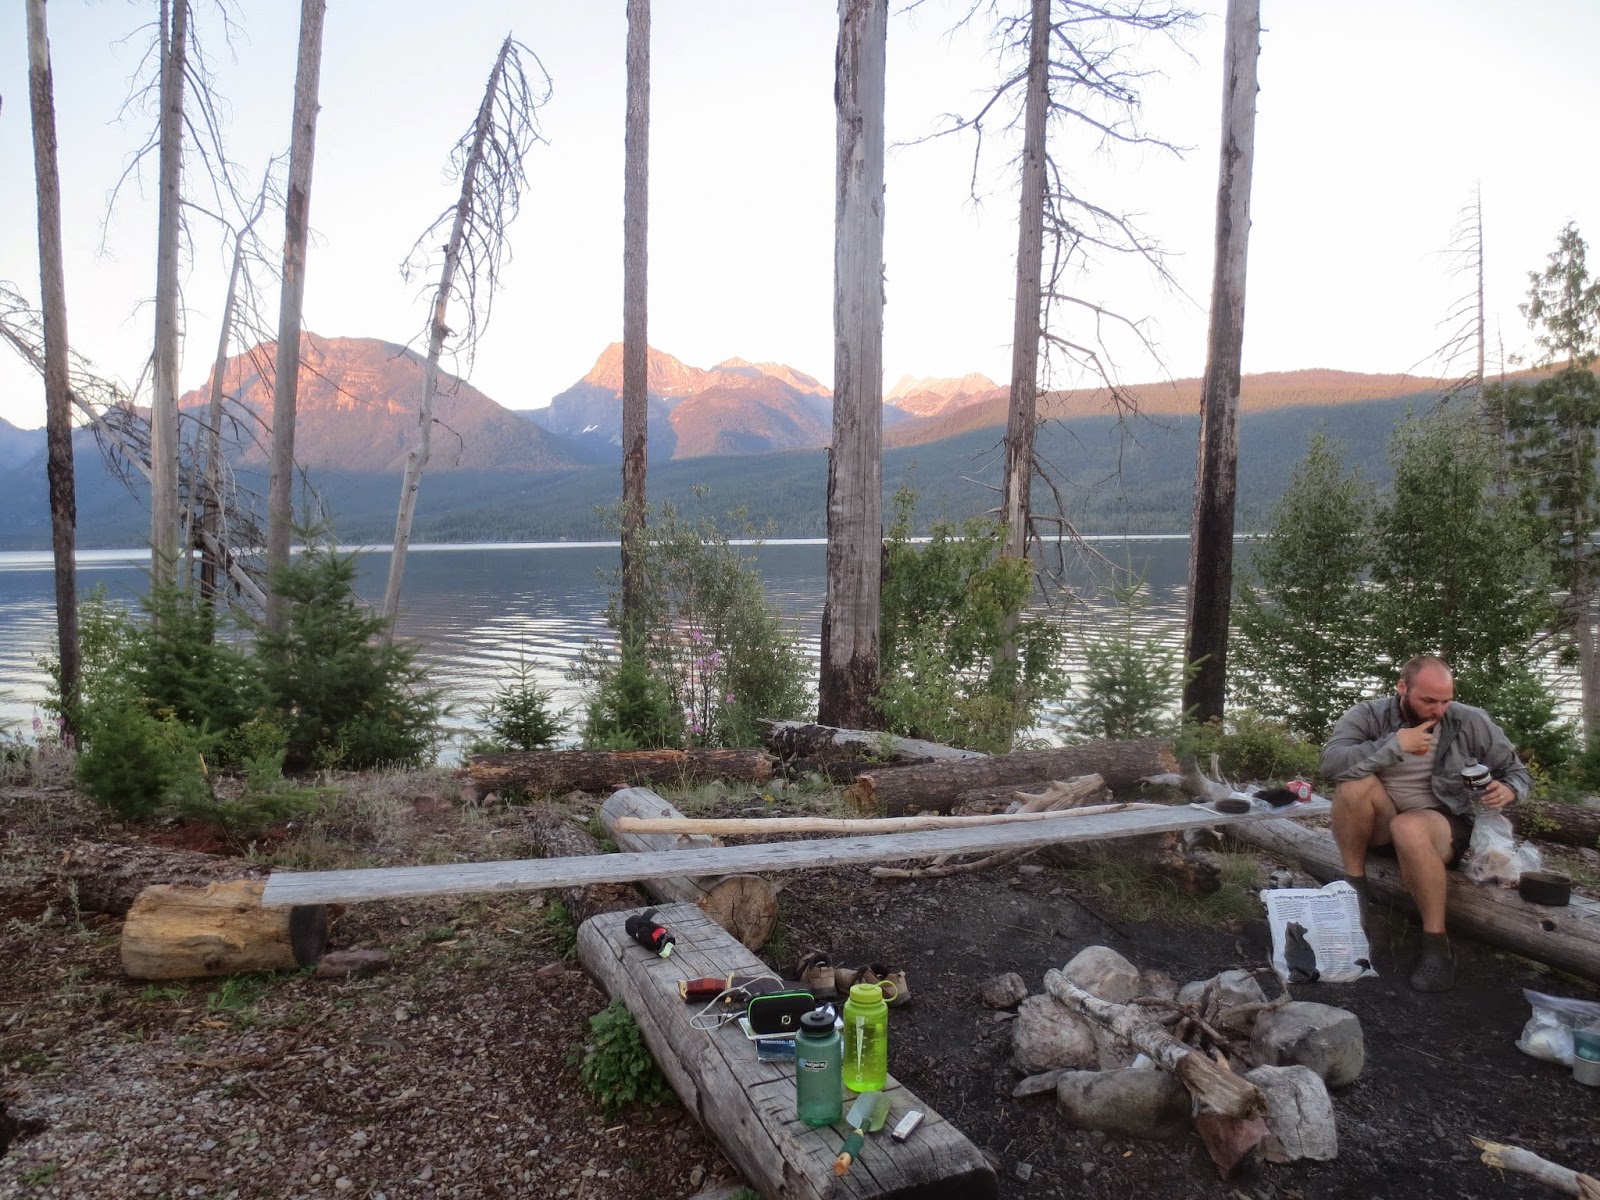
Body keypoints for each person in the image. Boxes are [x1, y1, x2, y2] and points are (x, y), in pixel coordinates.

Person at [1320, 654, 1530, 993]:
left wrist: (1509, 789)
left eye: (1445, 701)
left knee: (1409, 827)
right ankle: (1354, 895)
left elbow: (1517, 772)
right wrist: (1394, 745)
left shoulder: (1468, 720)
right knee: (1352, 785)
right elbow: (1330, 763)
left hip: (1440, 826)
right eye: (1429, 700)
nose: (1438, 710)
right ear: (1402, 687)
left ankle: (1436, 944)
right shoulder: (1369, 715)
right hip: (1382, 824)